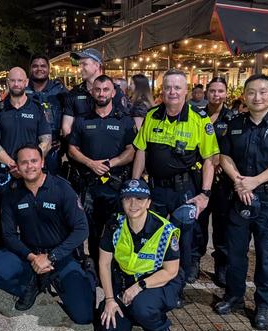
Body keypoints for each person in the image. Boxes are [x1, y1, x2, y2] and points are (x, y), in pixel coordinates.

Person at [214, 74, 268, 330]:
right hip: (238, 197)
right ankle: (234, 296)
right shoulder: (234, 122)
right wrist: (239, 181)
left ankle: (265, 304)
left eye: (263, 92)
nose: (257, 97)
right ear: (244, 95)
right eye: (251, 92)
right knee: (235, 253)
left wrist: (255, 181)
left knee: (266, 256)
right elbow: (224, 155)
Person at [132, 68, 219, 307]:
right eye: (168, 87)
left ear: (186, 91)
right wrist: (135, 185)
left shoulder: (199, 120)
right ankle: (153, 283)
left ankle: (176, 288)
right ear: (162, 90)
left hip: (185, 192)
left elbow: (210, 159)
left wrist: (205, 194)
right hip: (156, 190)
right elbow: (141, 151)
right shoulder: (151, 116)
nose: (172, 92)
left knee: (182, 241)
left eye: (177, 87)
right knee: (153, 238)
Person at [0, 144, 94, 323]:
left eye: (34, 161)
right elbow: (9, 235)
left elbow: (82, 229)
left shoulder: (62, 188)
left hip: (61, 254)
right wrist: (33, 258)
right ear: (16, 166)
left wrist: (51, 257)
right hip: (30, 254)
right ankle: (32, 284)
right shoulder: (12, 193)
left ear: (42, 162)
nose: (30, 166)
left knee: (84, 316)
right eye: (24, 162)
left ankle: (86, 272)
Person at [94, 179, 181, 331]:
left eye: (140, 199)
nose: (133, 204)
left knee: (142, 307)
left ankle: (159, 327)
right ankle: (133, 313)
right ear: (122, 201)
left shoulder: (165, 230)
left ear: (148, 202)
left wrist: (138, 287)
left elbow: (171, 271)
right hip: (124, 281)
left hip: (156, 282)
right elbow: (104, 264)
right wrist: (110, 300)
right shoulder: (114, 225)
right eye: (128, 198)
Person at [67, 75, 136, 266]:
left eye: (106, 89)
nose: (102, 93)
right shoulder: (82, 120)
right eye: (98, 89)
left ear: (113, 92)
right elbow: (72, 150)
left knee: (118, 227)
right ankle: (97, 266)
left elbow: (132, 151)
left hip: (116, 184)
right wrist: (91, 163)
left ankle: (117, 266)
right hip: (89, 185)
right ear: (92, 92)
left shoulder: (125, 120)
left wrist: (109, 163)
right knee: (92, 229)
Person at [0, 67, 52, 249]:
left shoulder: (37, 108)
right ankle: (0, 252)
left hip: (31, 174)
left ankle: (32, 253)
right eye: (12, 80)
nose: (16, 84)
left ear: (26, 82)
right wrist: (12, 164)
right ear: (8, 82)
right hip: (6, 173)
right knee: (2, 216)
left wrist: (29, 164)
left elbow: (46, 140)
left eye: (20, 80)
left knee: (31, 215)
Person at [193, 77, 234, 286]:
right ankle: (194, 263)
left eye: (220, 91)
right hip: (199, 179)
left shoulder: (233, 118)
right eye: (212, 91)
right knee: (198, 224)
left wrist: (221, 163)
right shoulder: (196, 115)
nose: (216, 95)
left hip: (224, 182)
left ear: (226, 93)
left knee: (222, 226)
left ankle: (222, 267)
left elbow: (234, 148)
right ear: (206, 93)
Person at [61, 48, 128, 137]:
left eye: (84, 64)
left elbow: (125, 123)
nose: (80, 68)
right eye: (80, 64)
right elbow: (66, 128)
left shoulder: (115, 91)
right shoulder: (74, 93)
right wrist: (76, 146)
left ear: (96, 65)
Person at [26, 54, 67, 175]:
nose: (39, 69)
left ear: (49, 69)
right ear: (30, 69)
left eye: (43, 66)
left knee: (51, 187)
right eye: (35, 66)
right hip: (27, 147)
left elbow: (71, 115)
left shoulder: (59, 90)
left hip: (53, 149)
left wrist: (64, 143)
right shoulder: (22, 88)